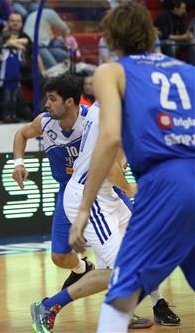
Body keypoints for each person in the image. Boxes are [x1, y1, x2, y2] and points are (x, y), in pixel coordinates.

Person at [68, 3, 195, 332]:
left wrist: (84, 209)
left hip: (166, 181)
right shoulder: (185, 69)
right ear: (151, 33)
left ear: (111, 36)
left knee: (123, 287)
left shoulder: (112, 71)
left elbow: (110, 138)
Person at [30, 103, 180, 333]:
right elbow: (111, 165)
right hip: (91, 197)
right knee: (121, 271)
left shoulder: (103, 105)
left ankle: (127, 311)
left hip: (107, 193)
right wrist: (131, 188)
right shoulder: (121, 112)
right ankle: (49, 306)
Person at [12, 74, 94, 290]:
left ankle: (156, 301)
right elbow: (21, 134)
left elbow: (120, 138)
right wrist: (18, 163)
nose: (46, 104)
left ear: (69, 102)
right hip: (67, 191)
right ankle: (83, 269)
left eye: (52, 99)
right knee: (59, 256)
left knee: (115, 251)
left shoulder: (91, 120)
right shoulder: (45, 122)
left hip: (96, 189)